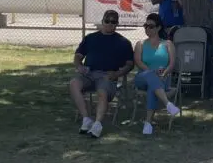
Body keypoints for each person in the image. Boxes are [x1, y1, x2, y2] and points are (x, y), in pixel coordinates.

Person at [71, 9, 135, 139]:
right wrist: (79, 66)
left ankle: (98, 124)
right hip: (89, 73)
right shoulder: (90, 38)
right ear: (102, 21)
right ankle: (86, 118)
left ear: (117, 24)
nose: (110, 24)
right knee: (74, 83)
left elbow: (130, 64)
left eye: (113, 22)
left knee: (102, 92)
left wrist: (118, 73)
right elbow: (78, 55)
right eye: (107, 21)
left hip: (107, 75)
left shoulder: (123, 42)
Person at [133, 13, 182, 135]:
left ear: (159, 28)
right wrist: (152, 71)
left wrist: (165, 72)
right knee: (150, 76)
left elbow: (172, 63)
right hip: (143, 77)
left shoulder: (168, 44)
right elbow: (138, 62)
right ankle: (167, 103)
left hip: (163, 78)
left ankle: (148, 123)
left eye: (151, 26)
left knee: (152, 87)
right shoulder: (140, 44)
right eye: (146, 26)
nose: (147, 29)